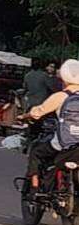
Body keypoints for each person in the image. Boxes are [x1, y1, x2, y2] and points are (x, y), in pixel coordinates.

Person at [24, 59, 79, 189]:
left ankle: (35, 185)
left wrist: (23, 116)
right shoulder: (46, 78)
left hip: (61, 142)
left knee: (36, 151)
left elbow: (37, 113)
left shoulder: (61, 96)